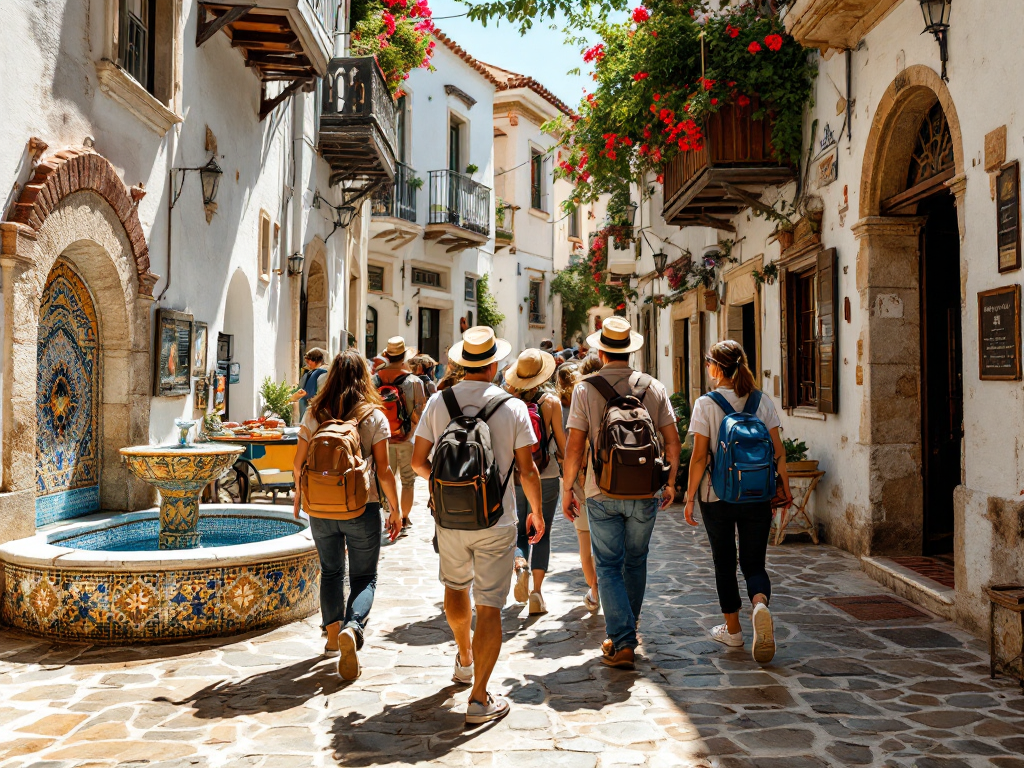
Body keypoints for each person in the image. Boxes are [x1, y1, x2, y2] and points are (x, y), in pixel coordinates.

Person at [412, 326, 544, 725]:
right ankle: (479, 698)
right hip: (497, 520)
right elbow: (527, 469)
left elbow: (418, 462)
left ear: (461, 363)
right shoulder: (513, 407)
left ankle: (465, 659)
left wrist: (445, 488)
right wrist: (536, 512)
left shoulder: (439, 401)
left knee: (455, 588)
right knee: (489, 606)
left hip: (450, 520)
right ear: (495, 363)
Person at [562, 316, 681, 670]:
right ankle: (629, 630)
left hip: (600, 491)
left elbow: (574, 446)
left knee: (609, 566)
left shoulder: (585, 389)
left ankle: (623, 640)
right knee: (636, 560)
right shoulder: (653, 387)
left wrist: (568, 489)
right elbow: (673, 441)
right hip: (645, 492)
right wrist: (670, 483)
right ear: (631, 351)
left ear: (601, 352)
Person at [292, 350, 402, 680]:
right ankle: (352, 628)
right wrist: (395, 510)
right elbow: (384, 471)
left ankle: (331, 637)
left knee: (330, 571)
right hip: (361, 507)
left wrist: (300, 496)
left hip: (321, 509)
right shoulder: (373, 416)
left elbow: (297, 464)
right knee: (364, 577)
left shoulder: (314, 412)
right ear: (365, 377)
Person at [684, 340, 792, 664]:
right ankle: (759, 604)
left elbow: (699, 456)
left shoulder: (706, 404)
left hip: (715, 494)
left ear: (718, 368)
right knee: (754, 563)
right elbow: (779, 451)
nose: (707, 367)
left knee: (724, 561)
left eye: (708, 362)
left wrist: (689, 497)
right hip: (757, 494)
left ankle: (733, 631)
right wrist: (784, 489)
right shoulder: (762, 401)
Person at [505, 349, 565, 615]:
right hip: (546, 473)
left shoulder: (507, 401)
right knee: (542, 531)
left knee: (519, 529)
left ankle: (520, 565)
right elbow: (562, 444)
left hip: (515, 474)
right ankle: (537, 594)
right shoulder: (551, 402)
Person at [555, 361, 598, 612]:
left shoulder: (569, 404)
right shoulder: (612, 395)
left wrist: (567, 487)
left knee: (585, 542)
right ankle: (605, 590)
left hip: (581, 482)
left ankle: (595, 591)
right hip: (610, 481)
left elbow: (570, 450)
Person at [373, 337, 427, 531]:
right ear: (404, 356)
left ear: (386, 356)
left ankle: (390, 516)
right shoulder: (415, 382)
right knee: (407, 481)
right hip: (406, 439)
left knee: (385, 478)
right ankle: (404, 518)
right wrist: (408, 431)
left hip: (382, 439)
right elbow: (420, 413)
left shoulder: (374, 380)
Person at [289, 348, 327, 419]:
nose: (308, 364)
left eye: (308, 361)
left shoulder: (318, 372)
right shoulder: (326, 370)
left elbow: (309, 392)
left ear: (313, 360)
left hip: (312, 406)